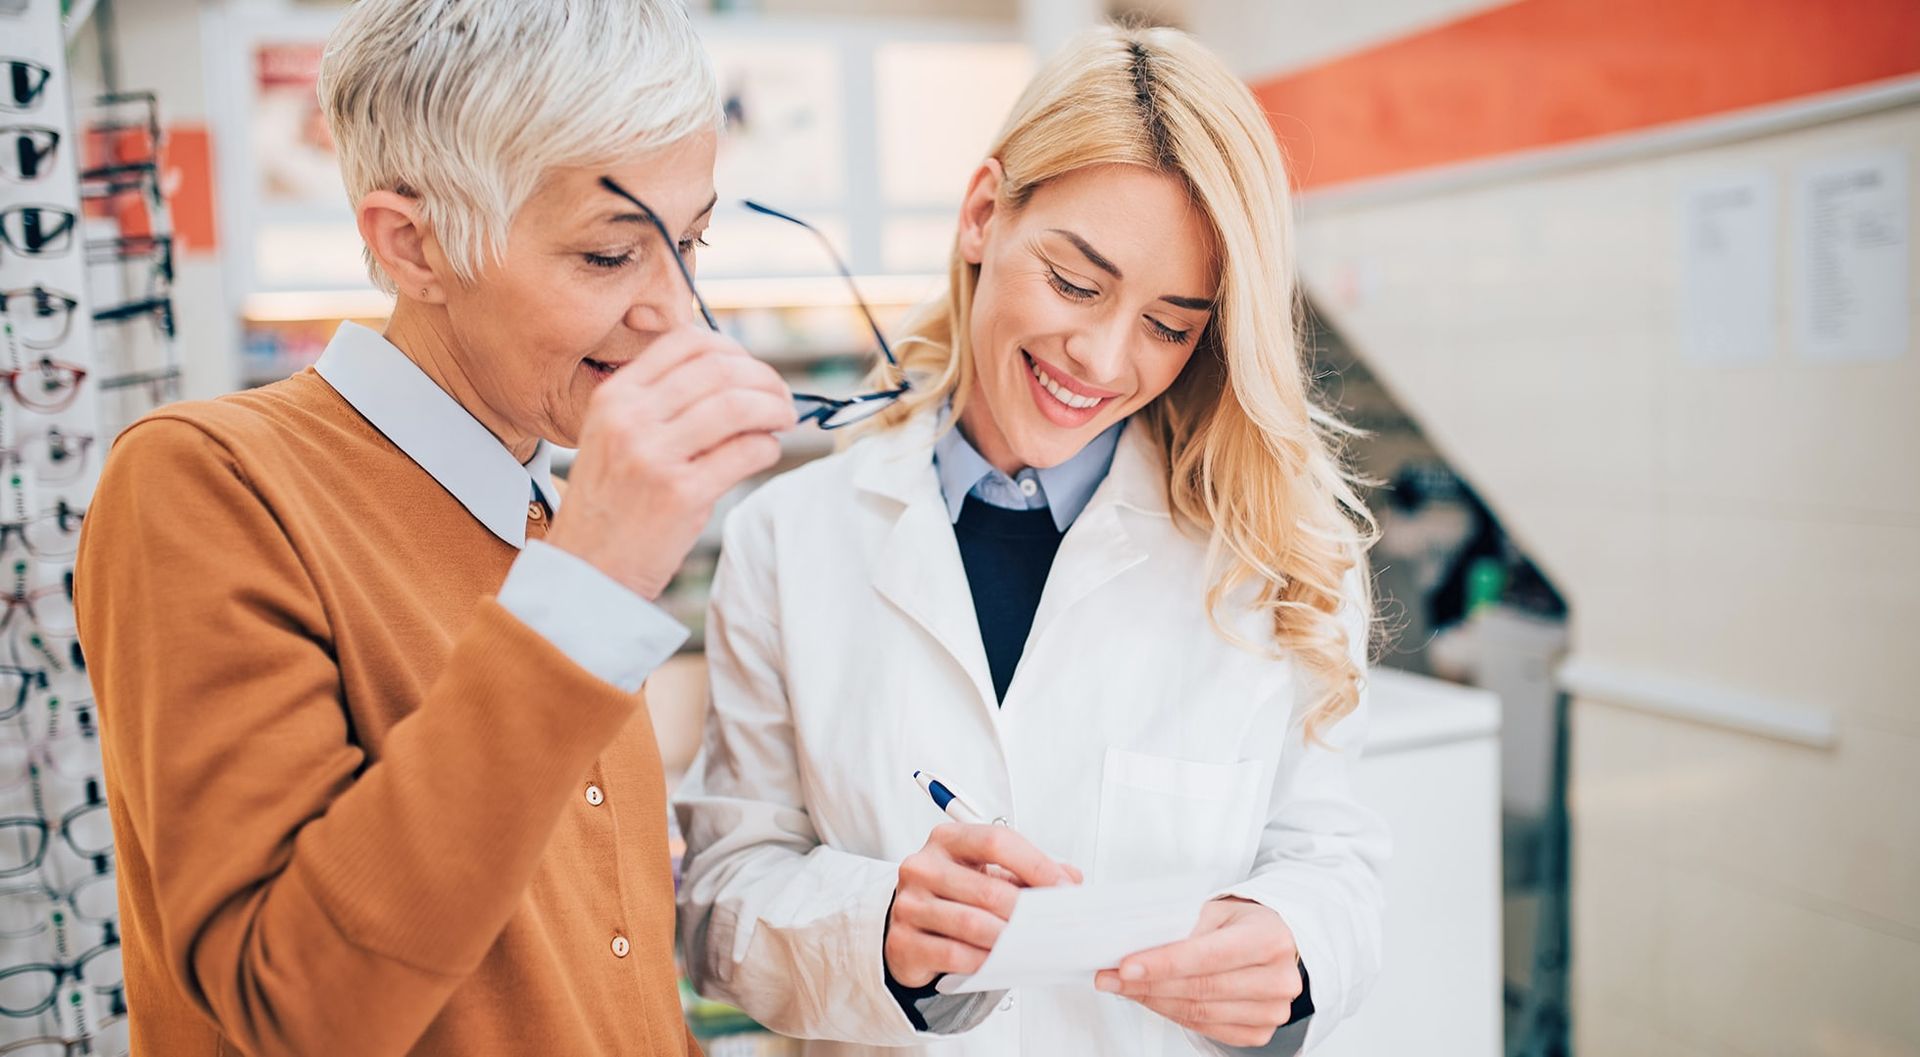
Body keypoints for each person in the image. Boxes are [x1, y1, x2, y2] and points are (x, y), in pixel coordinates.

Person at [72, 2, 794, 1053]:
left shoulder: (544, 518)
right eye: (608, 257)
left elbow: (597, 978)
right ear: (413, 245)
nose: (678, 312)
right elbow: (291, 1010)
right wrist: (592, 581)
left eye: (690, 242)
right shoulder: (207, 481)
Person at [674, 23, 1389, 1057]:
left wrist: (1295, 951)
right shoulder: (788, 539)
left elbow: (1336, 856)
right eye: (1077, 282)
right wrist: (880, 930)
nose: (1101, 357)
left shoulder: (1281, 553)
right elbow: (723, 904)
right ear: (981, 217)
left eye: (1170, 323)